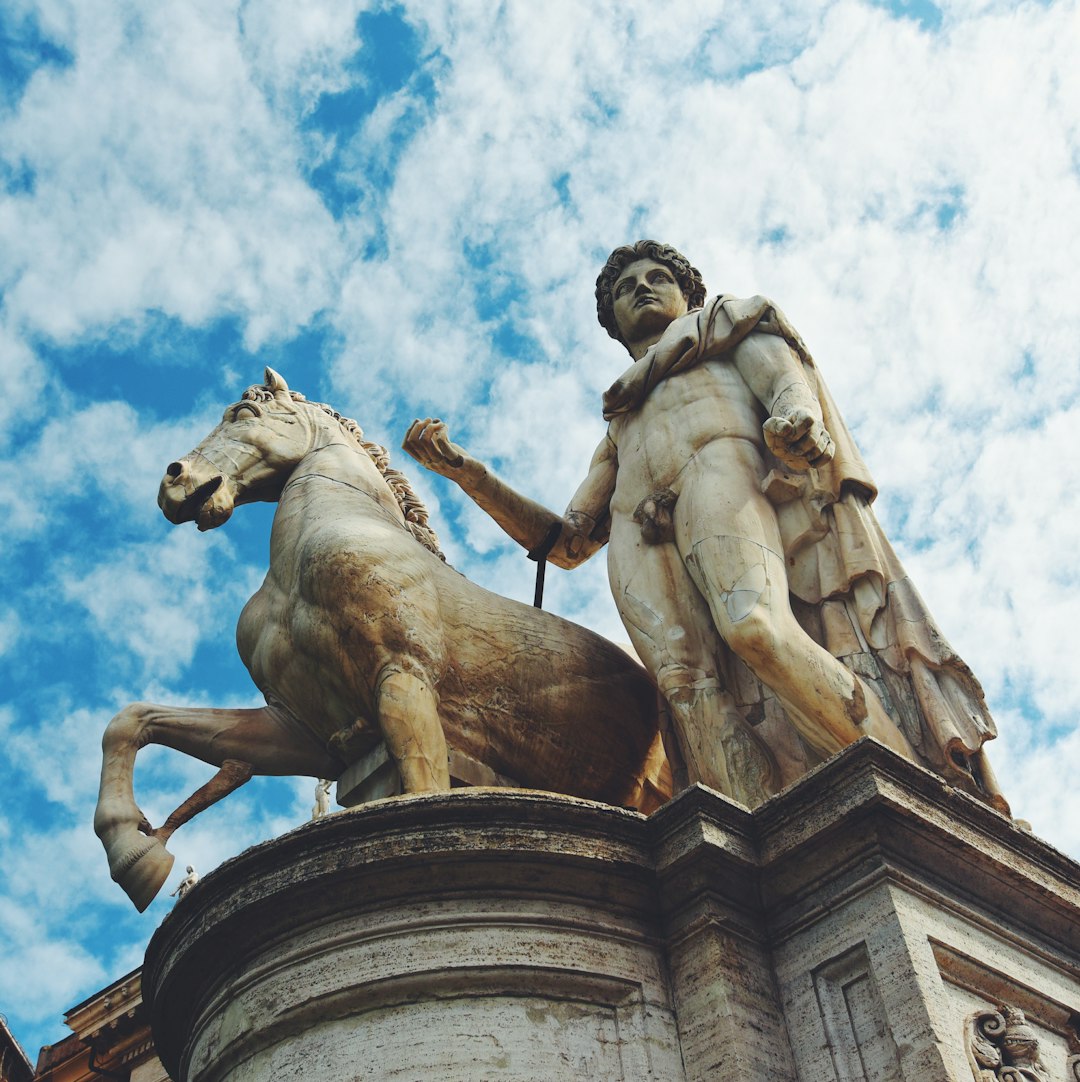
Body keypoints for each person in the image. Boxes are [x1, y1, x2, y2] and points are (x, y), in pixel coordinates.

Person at [403, 241, 1006, 811]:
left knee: (755, 628)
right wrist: (469, 474)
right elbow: (566, 542)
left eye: (656, 278)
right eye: (625, 288)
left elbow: (785, 381)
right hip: (638, 529)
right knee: (686, 689)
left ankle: (908, 785)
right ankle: (757, 833)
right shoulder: (620, 420)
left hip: (720, 473)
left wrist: (796, 417)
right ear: (612, 322)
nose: (641, 289)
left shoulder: (726, 327)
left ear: (688, 293)